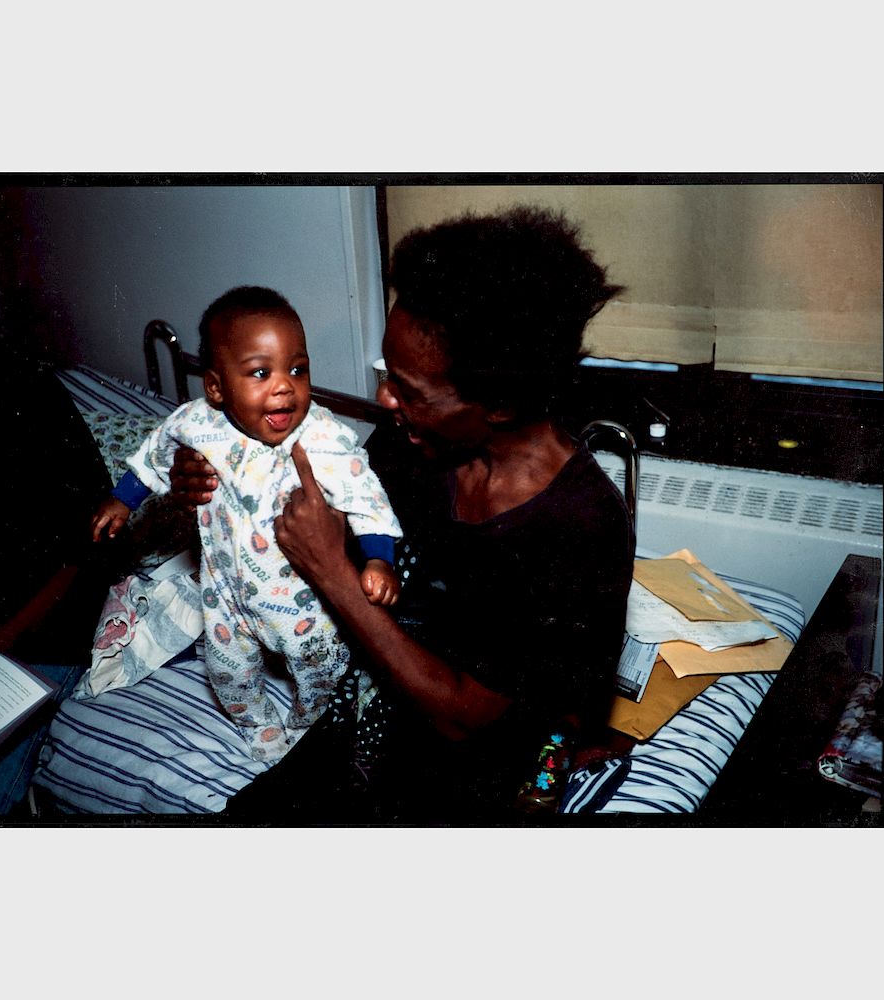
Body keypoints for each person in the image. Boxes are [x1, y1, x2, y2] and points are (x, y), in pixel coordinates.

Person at [169, 206, 636, 824]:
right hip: (369, 702)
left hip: (465, 757)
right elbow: (315, 511)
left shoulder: (578, 527)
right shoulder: (413, 444)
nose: (386, 399)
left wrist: (333, 571)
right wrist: (211, 471)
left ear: (497, 403)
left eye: (409, 390)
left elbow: (462, 719)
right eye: (391, 376)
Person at [91, 286, 402, 762]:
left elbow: (366, 497)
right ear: (216, 388)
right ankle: (257, 723)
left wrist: (379, 557)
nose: (284, 386)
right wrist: (121, 499)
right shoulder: (197, 423)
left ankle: (307, 721)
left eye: (297, 369)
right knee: (228, 671)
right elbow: (154, 455)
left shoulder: (322, 437)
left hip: (300, 603)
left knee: (321, 667)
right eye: (261, 372)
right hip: (224, 595)